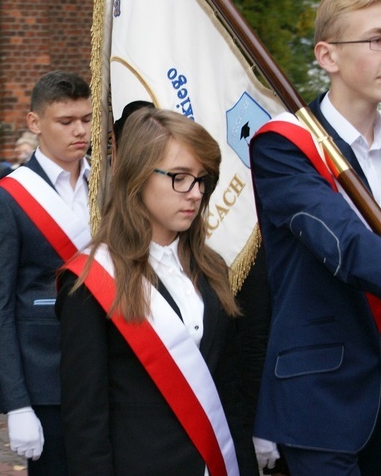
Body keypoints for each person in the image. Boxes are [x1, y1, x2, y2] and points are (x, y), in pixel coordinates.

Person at [56, 108, 257, 475]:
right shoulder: (90, 282)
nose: (195, 194)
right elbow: (86, 420)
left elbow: (231, 393)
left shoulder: (213, 270)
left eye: (202, 180)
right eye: (179, 178)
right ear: (137, 177)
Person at [249, 0, 381, 475]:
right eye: (376, 40)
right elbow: (343, 244)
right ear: (327, 56)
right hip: (323, 397)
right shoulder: (284, 145)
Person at [0, 70, 93, 474]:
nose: (80, 131)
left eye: (86, 119)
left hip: (110, 368)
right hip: (47, 378)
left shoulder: (109, 185)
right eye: (66, 121)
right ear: (34, 123)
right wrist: (16, 402)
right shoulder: (5, 199)